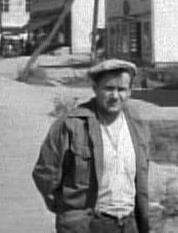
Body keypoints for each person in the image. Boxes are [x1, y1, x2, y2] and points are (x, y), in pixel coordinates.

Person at [32, 59, 150, 233]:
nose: (115, 96)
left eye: (121, 89)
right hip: (88, 225)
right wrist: (68, 212)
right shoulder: (72, 124)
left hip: (129, 224)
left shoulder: (137, 125)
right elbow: (45, 173)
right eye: (108, 88)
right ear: (95, 88)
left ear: (130, 91)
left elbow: (142, 178)